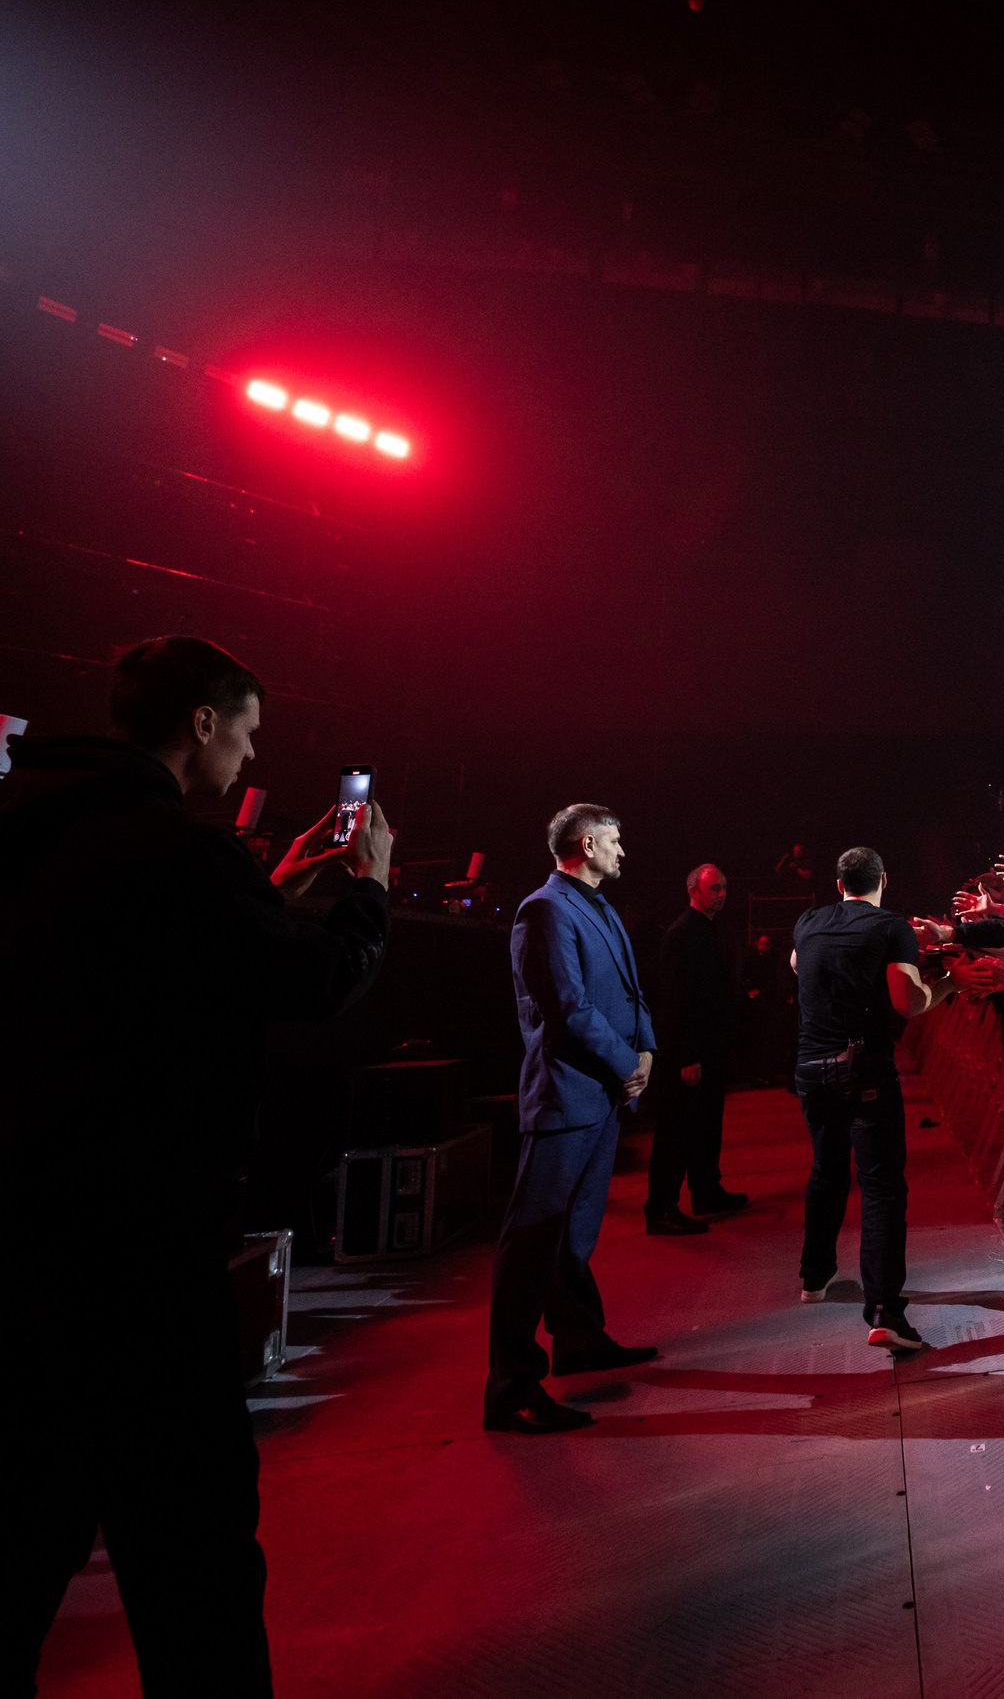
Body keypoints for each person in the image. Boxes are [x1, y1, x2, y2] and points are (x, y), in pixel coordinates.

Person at [0, 635, 392, 1695]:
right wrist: (368, 887)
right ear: (204, 724)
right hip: (139, 1250)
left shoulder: (37, 826)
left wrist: (268, 878)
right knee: (195, 1557)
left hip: (23, 1242)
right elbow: (308, 981)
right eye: (250, 728)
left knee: (26, 1535)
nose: (253, 750)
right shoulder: (174, 850)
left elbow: (147, 961)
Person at [485, 804, 662, 1436]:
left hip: (602, 1095)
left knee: (571, 1236)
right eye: (616, 841)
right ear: (587, 844)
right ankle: (510, 1389)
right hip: (566, 1097)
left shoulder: (600, 907)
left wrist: (644, 1051)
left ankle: (580, 1338)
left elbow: (630, 994)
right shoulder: (546, 909)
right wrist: (626, 1063)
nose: (623, 852)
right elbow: (568, 1006)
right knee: (532, 1243)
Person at [793, 846, 955, 1348]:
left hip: (810, 1066)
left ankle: (814, 1278)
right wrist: (948, 984)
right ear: (884, 879)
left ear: (839, 882)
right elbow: (907, 1002)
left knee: (826, 1171)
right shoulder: (890, 927)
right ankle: (885, 1310)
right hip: (863, 1069)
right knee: (882, 1187)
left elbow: (800, 966)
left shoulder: (808, 921)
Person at [647, 863, 750, 1235]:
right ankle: (660, 1208)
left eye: (723, 888)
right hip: (690, 1053)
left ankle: (705, 1190)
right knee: (678, 1130)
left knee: (706, 1124)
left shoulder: (706, 929)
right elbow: (675, 1001)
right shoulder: (683, 934)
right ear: (694, 891)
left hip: (709, 1048)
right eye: (713, 889)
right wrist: (687, 1055)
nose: (721, 894)